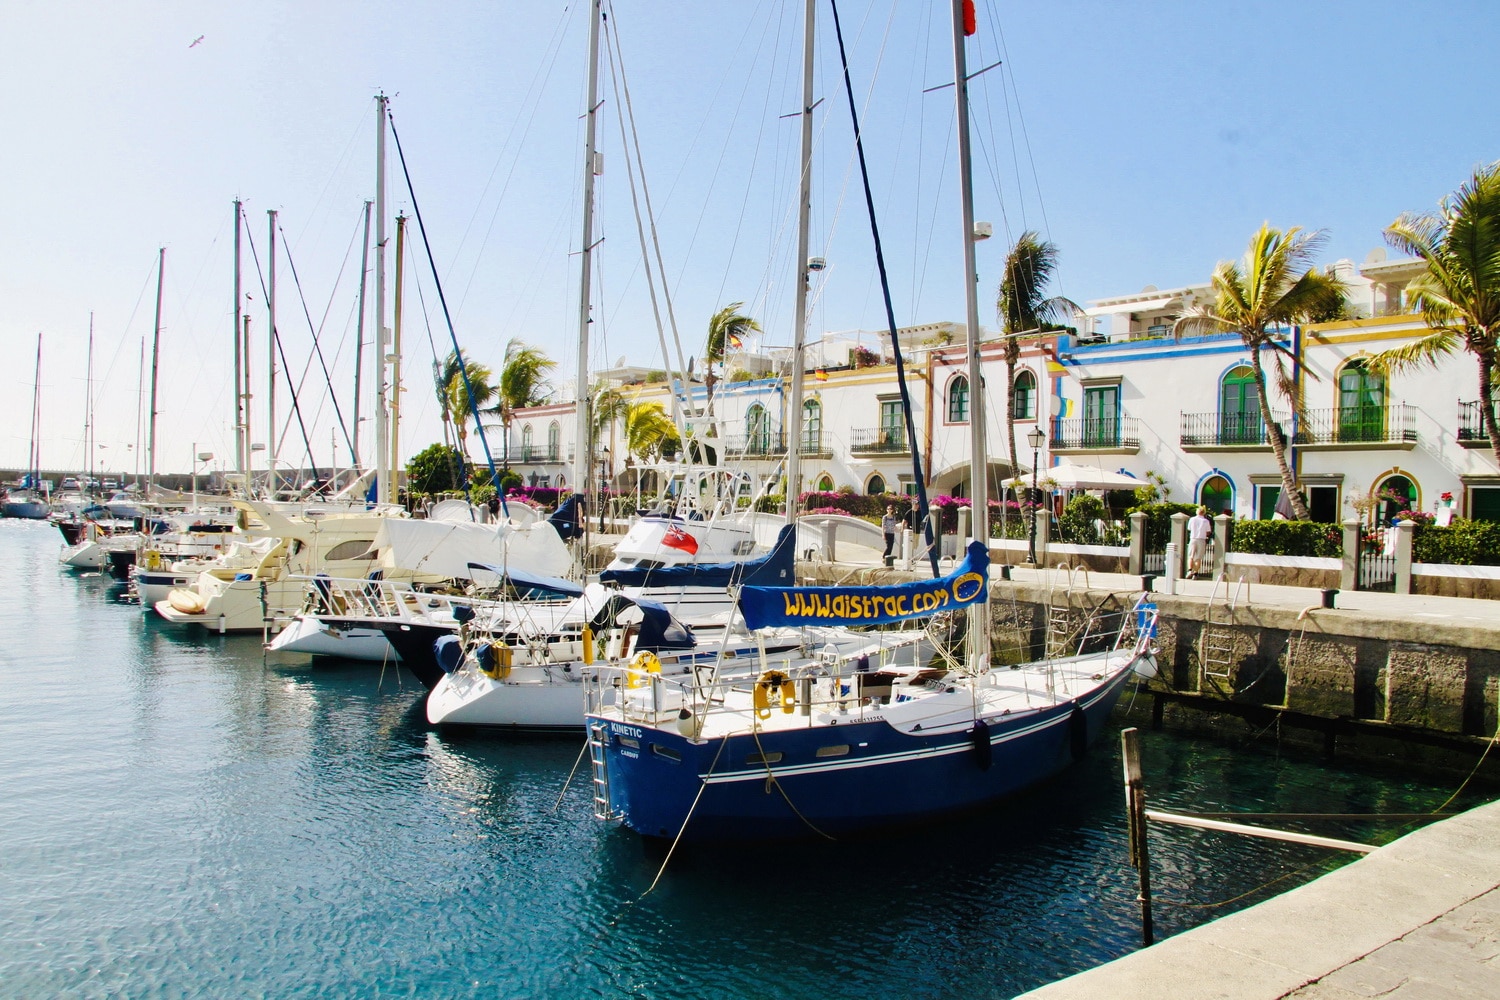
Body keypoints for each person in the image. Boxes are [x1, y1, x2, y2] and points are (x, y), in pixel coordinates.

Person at [1187, 505, 1212, 579]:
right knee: (1198, 558)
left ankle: (1189, 570)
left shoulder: (1192, 519)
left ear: (1197, 512)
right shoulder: (1206, 521)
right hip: (1201, 539)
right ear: (1204, 513)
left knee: (1191, 556)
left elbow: (1189, 529)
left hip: (1193, 538)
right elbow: (1208, 532)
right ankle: (1195, 574)